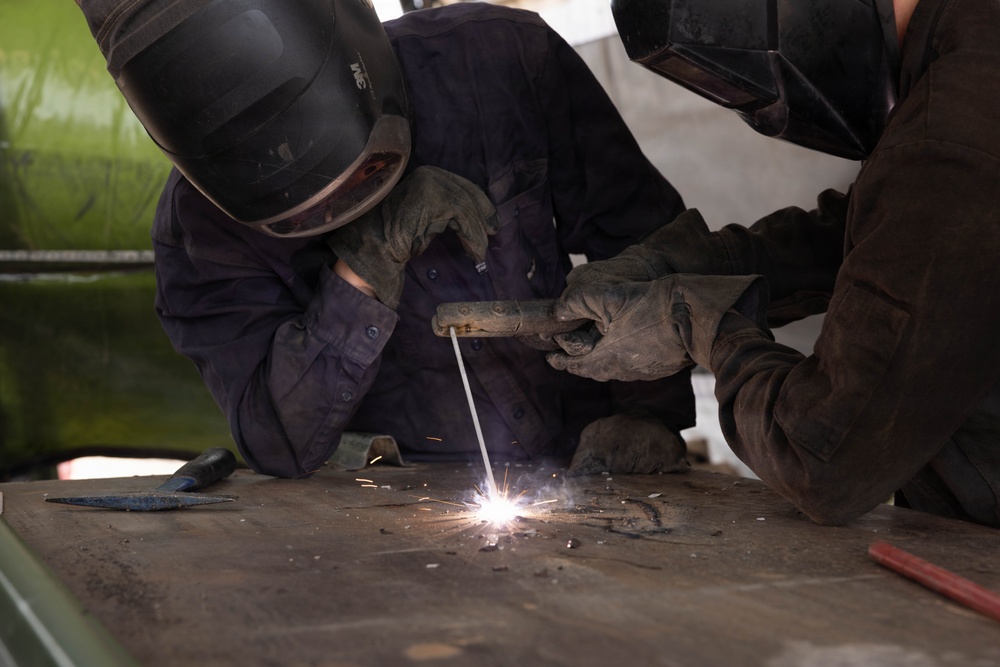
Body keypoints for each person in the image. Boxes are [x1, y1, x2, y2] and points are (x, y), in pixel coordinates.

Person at [74, 0, 696, 478]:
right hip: (406, 505)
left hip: (587, 469)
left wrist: (648, 412)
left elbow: (645, 237)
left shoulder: (500, 60)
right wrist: (364, 269)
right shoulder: (202, 231)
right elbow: (276, 439)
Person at [546, 0, 1000, 528]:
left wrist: (701, 324)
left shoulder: (954, 137)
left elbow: (822, 458)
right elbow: (888, 235)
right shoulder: (970, 60)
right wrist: (691, 264)